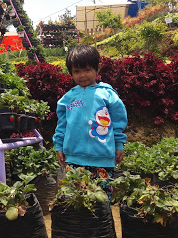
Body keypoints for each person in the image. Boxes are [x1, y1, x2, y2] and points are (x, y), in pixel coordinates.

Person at [53, 45, 128, 186]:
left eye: (87, 70)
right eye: (76, 71)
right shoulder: (67, 99)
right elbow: (62, 126)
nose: (82, 75)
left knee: (101, 199)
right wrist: (58, 146)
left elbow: (118, 122)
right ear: (71, 73)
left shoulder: (107, 94)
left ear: (97, 68)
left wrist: (119, 145)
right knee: (77, 199)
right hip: (74, 159)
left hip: (103, 158)